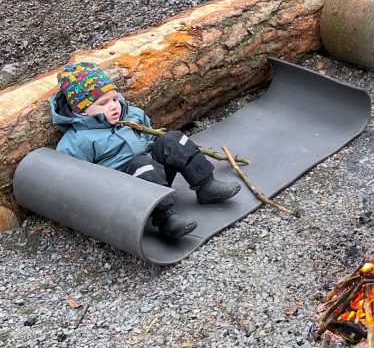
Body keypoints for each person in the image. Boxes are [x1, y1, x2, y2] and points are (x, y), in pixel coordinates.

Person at [50, 61, 241, 240]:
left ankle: (206, 185)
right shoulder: (77, 139)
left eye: (114, 99)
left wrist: (164, 152)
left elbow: (150, 139)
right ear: (81, 111)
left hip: (154, 174)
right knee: (141, 163)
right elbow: (72, 177)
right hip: (125, 190)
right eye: (103, 103)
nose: (114, 106)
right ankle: (166, 218)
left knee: (173, 139)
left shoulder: (132, 114)